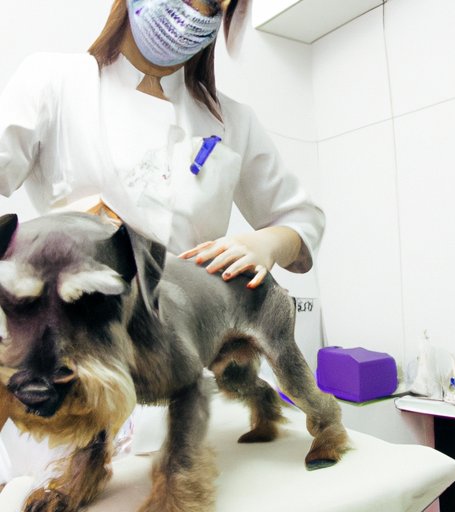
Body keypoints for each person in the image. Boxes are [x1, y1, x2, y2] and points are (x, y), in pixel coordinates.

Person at [0, 0, 324, 492]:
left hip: (180, 383)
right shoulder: (54, 82)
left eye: (214, 4)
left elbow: (301, 217)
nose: (193, 11)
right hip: (66, 391)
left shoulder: (231, 120)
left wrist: (268, 242)